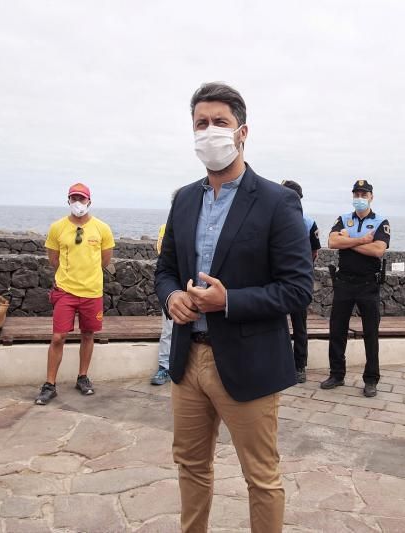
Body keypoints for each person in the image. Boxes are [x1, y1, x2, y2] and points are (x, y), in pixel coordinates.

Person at [154, 82, 312, 533]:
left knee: (260, 476)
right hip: (188, 360)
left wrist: (230, 301)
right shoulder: (184, 198)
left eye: (219, 122)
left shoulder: (279, 202)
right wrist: (171, 297)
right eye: (200, 123)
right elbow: (164, 269)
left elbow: (298, 289)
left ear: (242, 132)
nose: (209, 132)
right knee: (190, 464)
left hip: (249, 361)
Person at [34, 183, 114, 405]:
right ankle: (50, 384)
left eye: (82, 199)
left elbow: (105, 260)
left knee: (88, 334)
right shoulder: (57, 227)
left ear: (90, 201)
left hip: (92, 292)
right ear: (68, 201)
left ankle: (83, 377)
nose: (78, 203)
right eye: (74, 198)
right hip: (66, 291)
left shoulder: (102, 228)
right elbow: (53, 258)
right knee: (58, 336)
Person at [320, 180, 390, 398]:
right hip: (344, 282)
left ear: (371, 197)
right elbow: (332, 242)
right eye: (356, 194)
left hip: (368, 283)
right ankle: (336, 374)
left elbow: (378, 250)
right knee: (337, 330)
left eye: (364, 194)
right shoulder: (343, 218)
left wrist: (348, 239)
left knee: (371, 333)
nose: (360, 197)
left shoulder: (381, 221)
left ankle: (371, 379)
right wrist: (361, 240)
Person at [281, 179, 321, 383]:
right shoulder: (272, 219)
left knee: (299, 326)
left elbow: (314, 251)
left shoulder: (307, 222)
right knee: (276, 325)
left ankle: (299, 366)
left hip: (297, 282)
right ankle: (278, 363)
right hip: (277, 282)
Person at [151, 219, 172, 386]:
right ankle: (164, 366)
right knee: (169, 329)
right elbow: (162, 252)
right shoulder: (166, 228)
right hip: (176, 286)